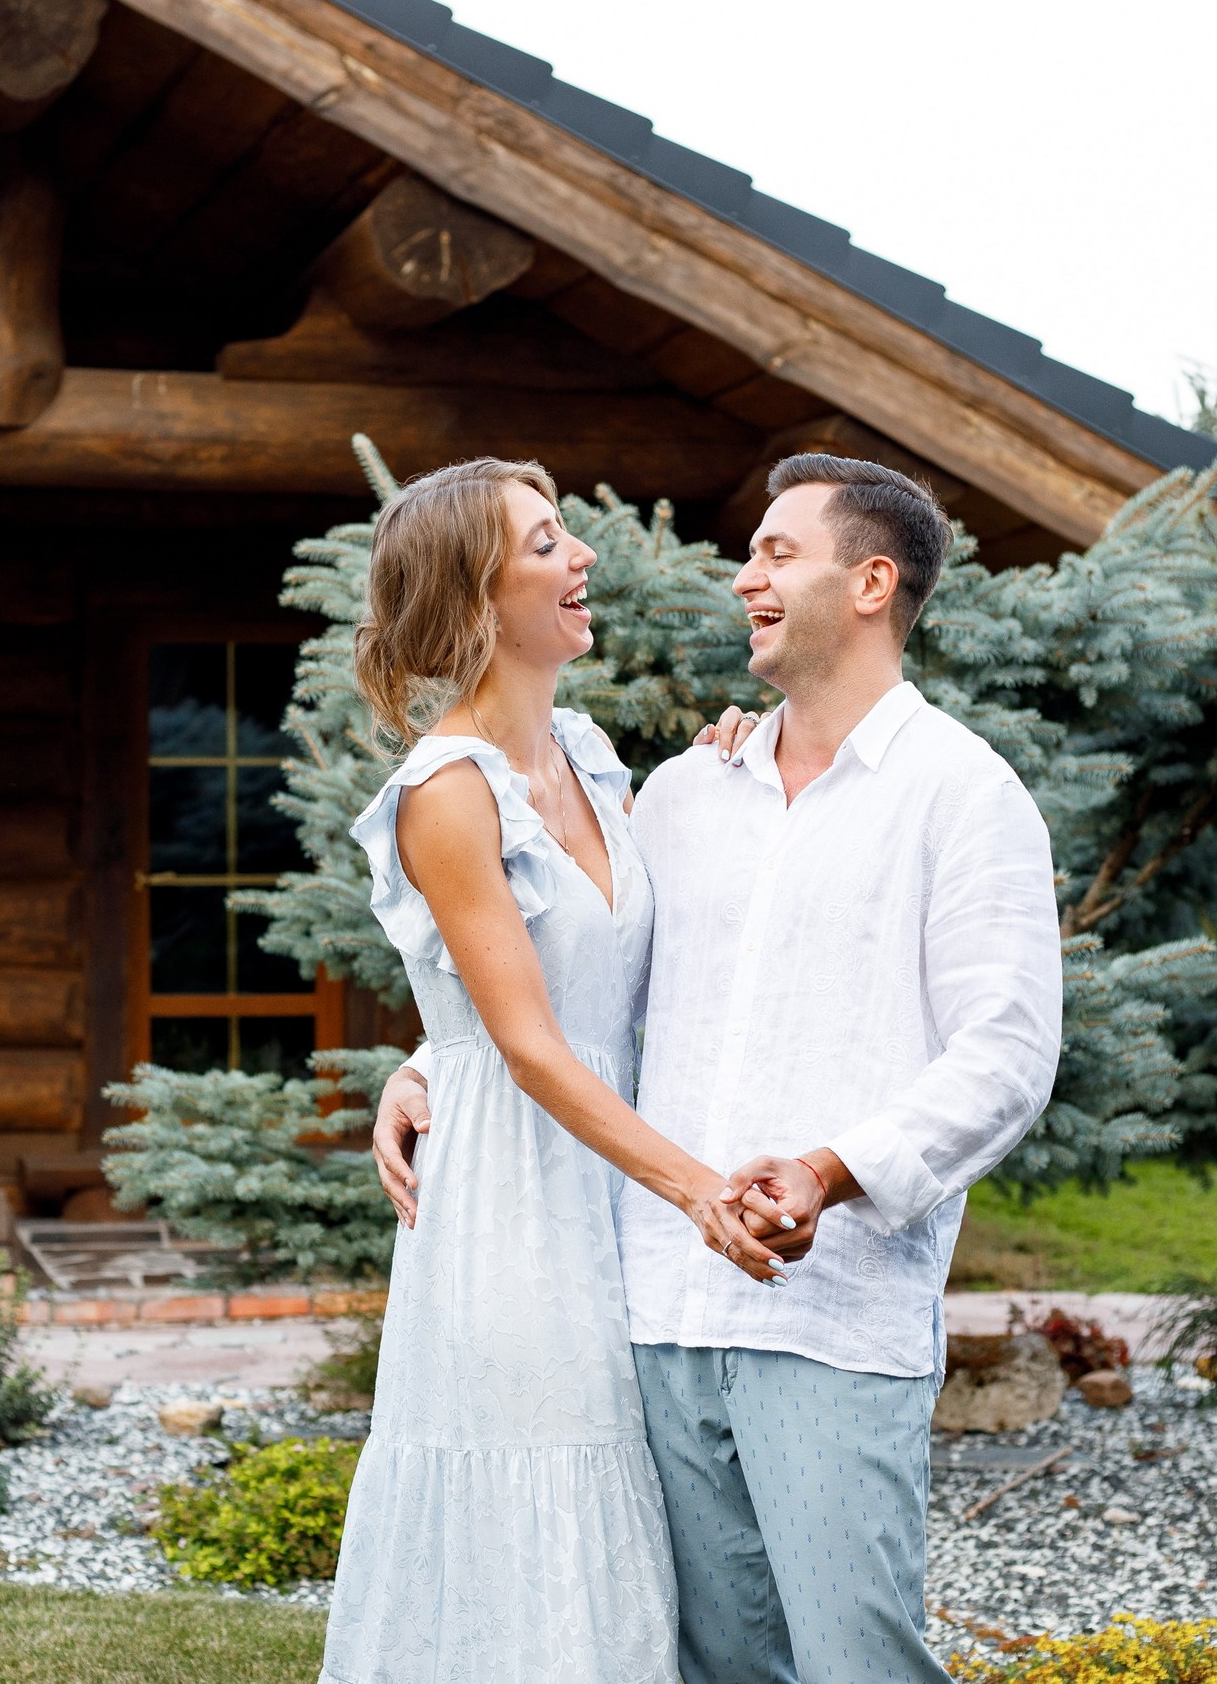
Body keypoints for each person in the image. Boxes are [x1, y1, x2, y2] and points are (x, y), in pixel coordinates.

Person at [374, 454, 1064, 1683]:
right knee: (707, 1664)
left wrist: (827, 1170)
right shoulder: (686, 789)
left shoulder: (964, 794)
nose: (740, 576)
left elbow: (1006, 1056)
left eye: (775, 554)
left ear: (869, 580)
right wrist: (434, 1058)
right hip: (651, 1310)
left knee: (859, 1662)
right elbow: (569, 972)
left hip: (831, 1311)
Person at [318, 457, 788, 1684]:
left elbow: (607, 974)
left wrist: (718, 777)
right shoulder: (443, 793)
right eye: (544, 542)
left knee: (614, 1500)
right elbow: (524, 1041)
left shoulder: (585, 753)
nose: (580, 556)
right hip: (513, 1210)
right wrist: (699, 1189)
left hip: (604, 1189)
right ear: (477, 596)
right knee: (540, 1482)